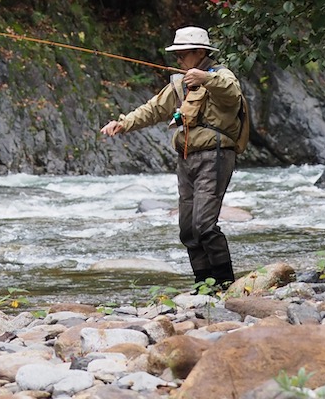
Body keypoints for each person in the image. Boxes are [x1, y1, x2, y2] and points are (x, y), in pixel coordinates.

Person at [100, 25, 243, 290]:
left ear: (200, 51)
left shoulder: (221, 76)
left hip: (216, 156)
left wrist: (205, 78)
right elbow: (154, 109)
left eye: (182, 53)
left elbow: (232, 93)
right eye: (176, 54)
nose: (178, 59)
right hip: (186, 158)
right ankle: (203, 284)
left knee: (204, 225)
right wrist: (123, 123)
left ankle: (225, 282)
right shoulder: (180, 83)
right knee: (188, 229)